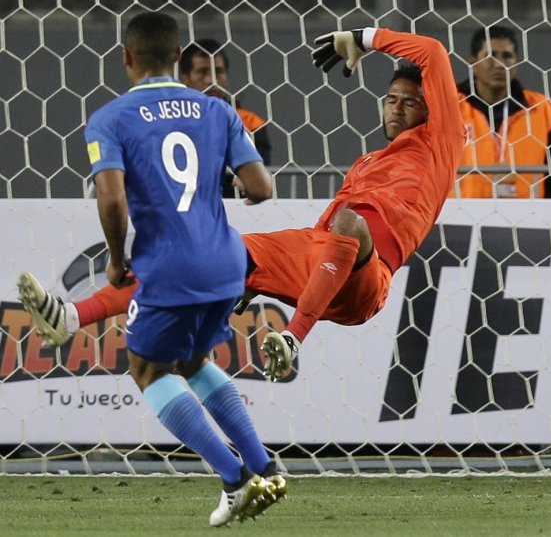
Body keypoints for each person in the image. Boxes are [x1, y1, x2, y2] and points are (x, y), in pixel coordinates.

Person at [19, 27, 466, 385]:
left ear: (432, 110)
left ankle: (291, 339)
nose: (397, 110)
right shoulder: (368, 163)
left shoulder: (442, 141)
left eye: (411, 103)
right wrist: (255, 274)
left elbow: (432, 52)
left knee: (349, 222)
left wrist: (364, 38)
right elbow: (324, 239)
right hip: (327, 251)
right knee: (206, 258)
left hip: (369, 278)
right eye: (391, 100)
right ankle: (73, 315)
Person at [17, 11, 281, 526]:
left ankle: (235, 477)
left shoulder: (110, 119)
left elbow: (111, 200)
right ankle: (265, 463)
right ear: (180, 59)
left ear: (126, 58)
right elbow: (261, 188)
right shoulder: (217, 110)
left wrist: (116, 261)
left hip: (170, 266)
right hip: (226, 263)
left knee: (147, 369)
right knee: (195, 361)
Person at [453, 25, 551, 199]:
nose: (499, 64)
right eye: (490, 56)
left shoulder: (542, 110)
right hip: (461, 219)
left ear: (517, 62)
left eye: (507, 56)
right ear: (473, 62)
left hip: (528, 219)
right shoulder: (450, 108)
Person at [179, 38, 272, 197]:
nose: (211, 80)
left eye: (219, 72)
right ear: (184, 78)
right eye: (202, 72)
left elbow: (257, 173)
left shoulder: (250, 121)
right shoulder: (171, 119)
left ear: (227, 77)